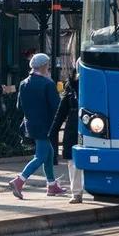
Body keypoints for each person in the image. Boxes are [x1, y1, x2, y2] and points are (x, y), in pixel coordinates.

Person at [9, 54, 66, 198]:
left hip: (31, 123)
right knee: (40, 156)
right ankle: (20, 180)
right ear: (44, 66)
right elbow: (57, 107)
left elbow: (19, 106)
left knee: (49, 153)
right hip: (46, 125)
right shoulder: (48, 84)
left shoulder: (23, 83)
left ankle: (52, 185)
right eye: (48, 65)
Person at [48, 58, 82, 203]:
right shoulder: (71, 87)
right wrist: (53, 130)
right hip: (74, 126)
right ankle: (76, 191)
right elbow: (61, 111)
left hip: (91, 126)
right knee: (72, 159)